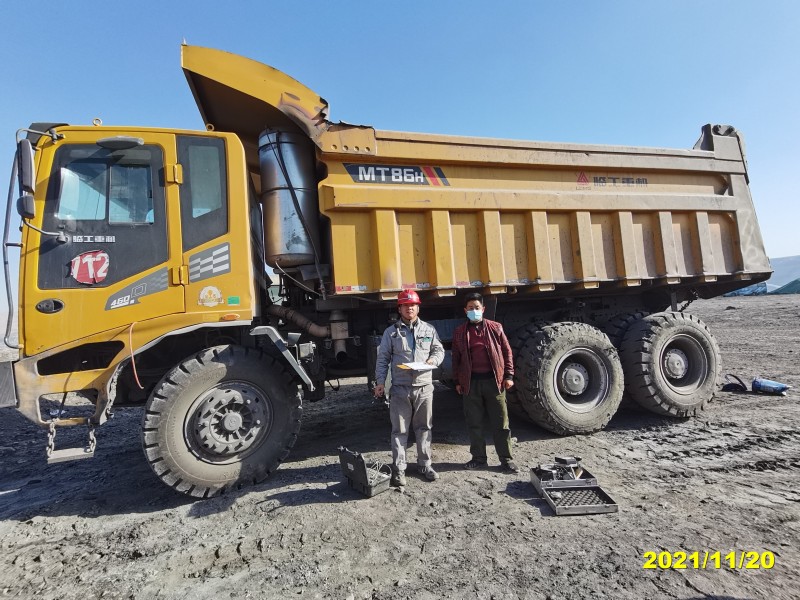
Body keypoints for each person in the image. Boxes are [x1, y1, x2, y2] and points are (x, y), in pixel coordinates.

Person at [374, 290, 445, 487]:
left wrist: (433, 360)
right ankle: (399, 469)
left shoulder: (429, 330)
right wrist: (380, 382)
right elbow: (382, 359)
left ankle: (425, 465)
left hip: (424, 387)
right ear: (400, 309)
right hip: (400, 388)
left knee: (424, 428)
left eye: (412, 305)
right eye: (405, 305)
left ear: (418, 307)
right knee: (399, 430)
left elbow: (439, 350)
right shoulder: (391, 332)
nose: (409, 308)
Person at [451, 292, 519, 473]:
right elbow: (456, 359)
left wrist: (509, 376)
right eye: (470, 308)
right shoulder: (460, 332)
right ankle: (479, 458)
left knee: (501, 423)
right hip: (471, 384)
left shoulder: (496, 328)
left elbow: (507, 352)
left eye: (477, 307)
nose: (474, 311)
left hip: (495, 383)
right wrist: (457, 381)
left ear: (483, 309)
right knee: (474, 423)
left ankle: (506, 459)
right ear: (465, 310)